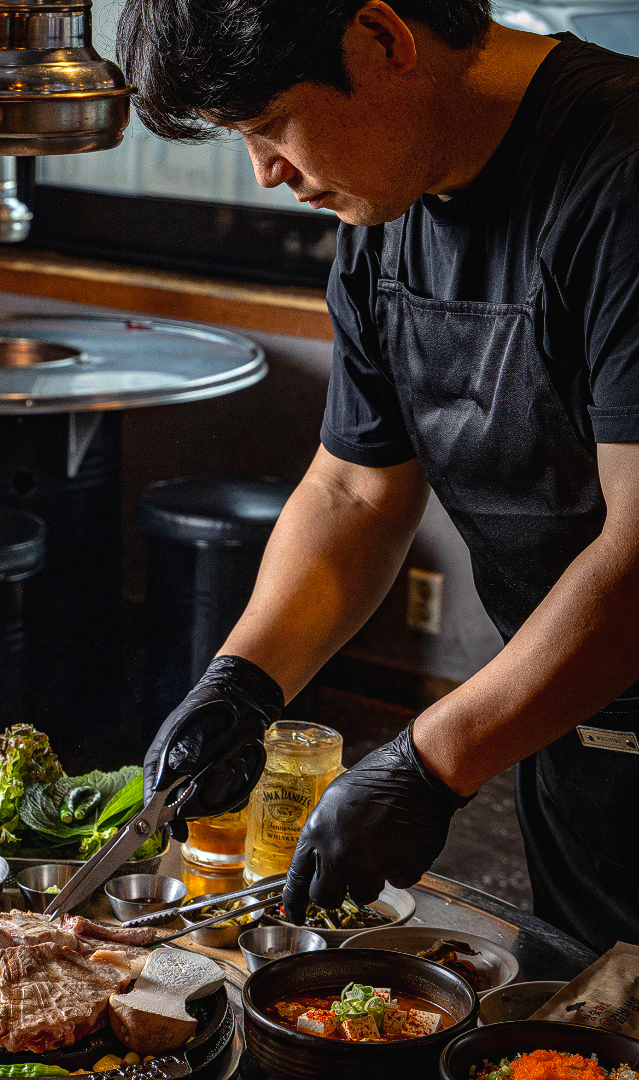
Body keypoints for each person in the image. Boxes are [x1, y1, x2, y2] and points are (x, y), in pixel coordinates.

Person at [129, 0, 639, 952]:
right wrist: (242, 683)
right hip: (563, 721)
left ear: (384, 39)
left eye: (269, 125)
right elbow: (356, 490)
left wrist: (427, 762)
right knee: (592, 1005)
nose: (266, 171)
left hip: (599, 669)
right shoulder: (387, 202)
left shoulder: (622, 174)